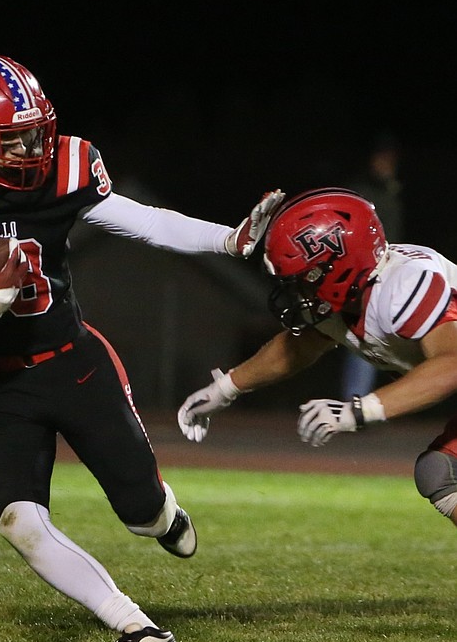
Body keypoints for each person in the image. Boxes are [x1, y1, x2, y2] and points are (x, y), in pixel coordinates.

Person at [0, 54, 283, 642]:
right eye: (12, 139)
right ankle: (137, 626)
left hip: (76, 365)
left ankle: (161, 515)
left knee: (140, 512)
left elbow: (143, 223)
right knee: (17, 519)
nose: (32, 149)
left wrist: (229, 238)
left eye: (35, 132)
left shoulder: (65, 169)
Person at [177, 187, 457, 525]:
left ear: (339, 266)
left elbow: (451, 364)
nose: (299, 292)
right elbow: (299, 346)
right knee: (438, 472)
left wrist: (358, 411)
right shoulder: (354, 293)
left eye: (304, 279)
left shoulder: (403, 287)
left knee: (441, 472)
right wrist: (227, 388)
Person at [339, 133, 406, 399]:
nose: (386, 165)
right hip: (359, 272)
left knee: (385, 334)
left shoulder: (392, 192)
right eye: (381, 160)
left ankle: (371, 399)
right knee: (361, 333)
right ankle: (354, 398)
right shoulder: (361, 191)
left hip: (388, 270)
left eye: (390, 160)